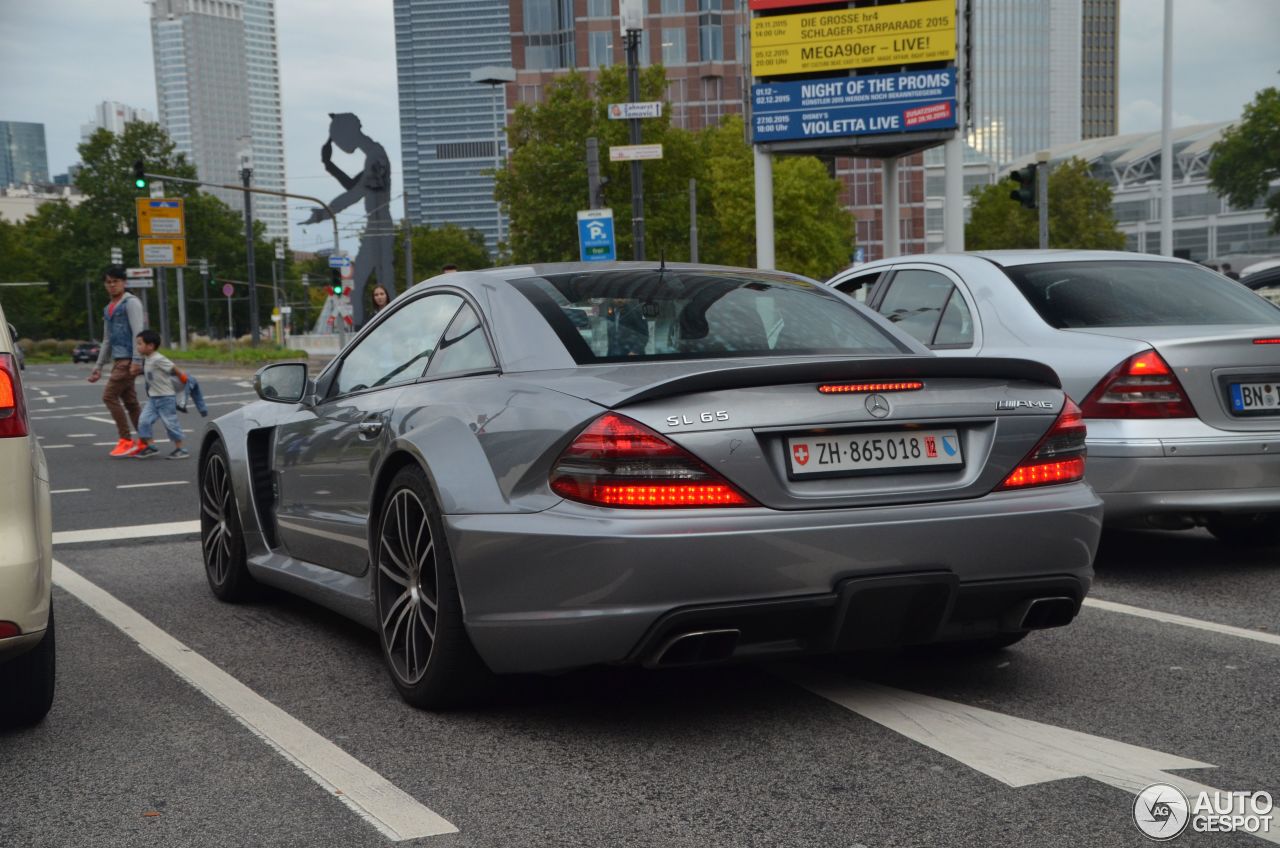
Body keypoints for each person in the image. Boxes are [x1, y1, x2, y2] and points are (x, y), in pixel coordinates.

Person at [303, 113, 395, 328]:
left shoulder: (376, 155)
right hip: (374, 229)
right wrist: (329, 165)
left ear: (348, 133)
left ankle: (386, 328)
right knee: (359, 288)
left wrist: (322, 214)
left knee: (384, 286)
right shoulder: (373, 154)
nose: (339, 144)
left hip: (380, 230)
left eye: (337, 139)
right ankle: (363, 333)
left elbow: (354, 193)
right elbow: (354, 186)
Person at [87, 266, 146, 457]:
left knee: (109, 396)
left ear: (124, 283)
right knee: (130, 402)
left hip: (129, 359)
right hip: (118, 359)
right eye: (108, 282)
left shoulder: (131, 303)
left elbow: (138, 332)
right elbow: (107, 339)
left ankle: (126, 440)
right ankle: (146, 442)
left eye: (116, 281)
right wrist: (99, 366)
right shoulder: (108, 308)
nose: (112, 285)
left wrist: (137, 360)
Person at [132, 329, 189, 460]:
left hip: (165, 397)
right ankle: (151, 446)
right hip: (153, 398)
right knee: (143, 421)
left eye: (140, 343)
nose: (137, 346)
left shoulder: (158, 358)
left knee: (170, 424)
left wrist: (184, 378)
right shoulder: (147, 358)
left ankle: (181, 448)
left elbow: (173, 367)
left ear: (150, 346)